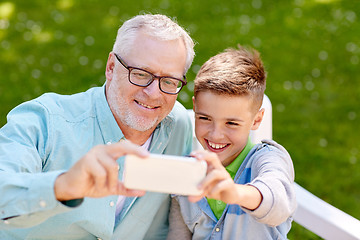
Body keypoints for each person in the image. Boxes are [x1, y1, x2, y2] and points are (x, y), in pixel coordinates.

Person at [0, 14, 195, 239]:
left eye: (169, 81)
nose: (154, 93)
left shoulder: (177, 125)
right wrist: (63, 186)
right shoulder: (45, 120)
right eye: (141, 74)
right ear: (111, 67)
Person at [167, 46, 296, 239]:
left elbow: (279, 203)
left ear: (257, 119)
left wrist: (235, 193)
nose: (216, 134)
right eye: (204, 118)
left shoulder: (268, 158)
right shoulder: (186, 173)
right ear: (195, 106)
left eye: (231, 123)